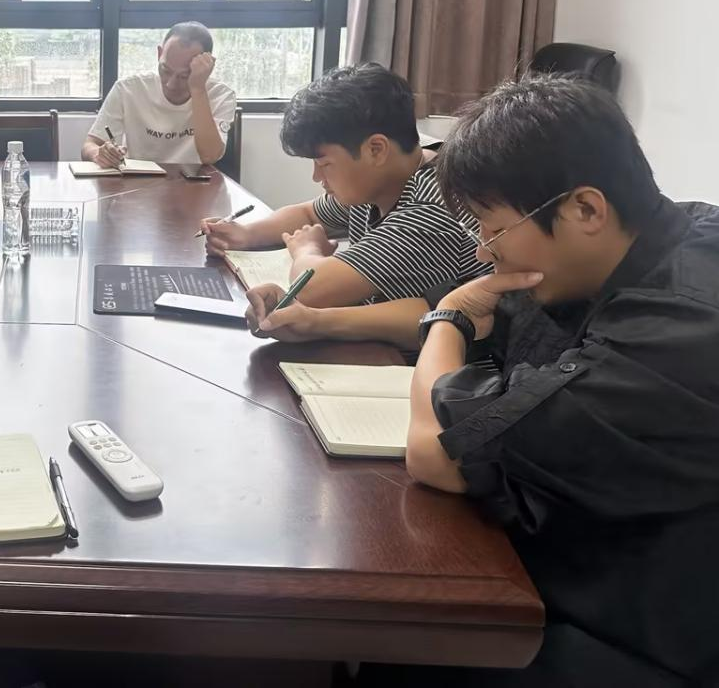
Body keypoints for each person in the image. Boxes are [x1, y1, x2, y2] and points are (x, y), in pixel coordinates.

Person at [370, 74, 719, 686]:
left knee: (404, 639)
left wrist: (447, 319)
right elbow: (497, 342)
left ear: (585, 208)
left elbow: (435, 454)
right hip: (587, 564)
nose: (484, 251)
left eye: (494, 229)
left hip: (641, 635)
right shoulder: (620, 250)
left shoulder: (678, 330)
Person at [202, 63, 486, 350]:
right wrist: (246, 234)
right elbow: (308, 213)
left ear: (376, 149)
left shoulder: (433, 205)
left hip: (427, 363)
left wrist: (306, 250)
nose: (316, 177)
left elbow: (313, 290)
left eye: (324, 164)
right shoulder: (382, 179)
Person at [81, 21, 236, 167]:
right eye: (165, 70)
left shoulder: (221, 95)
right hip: (137, 182)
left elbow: (209, 156)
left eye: (184, 76)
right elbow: (90, 145)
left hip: (193, 183)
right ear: (159, 54)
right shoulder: (129, 89)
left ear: (206, 67)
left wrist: (198, 89)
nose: (170, 84)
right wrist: (100, 154)